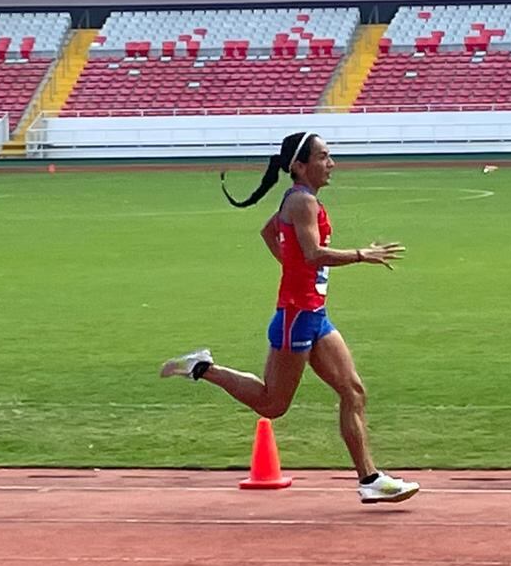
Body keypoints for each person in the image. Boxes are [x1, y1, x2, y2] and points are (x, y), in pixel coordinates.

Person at [160, 131, 420, 505]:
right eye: (323, 157)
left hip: (315, 314)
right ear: (299, 165)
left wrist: (292, 266)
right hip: (296, 316)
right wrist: (361, 255)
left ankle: (370, 479)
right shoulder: (301, 202)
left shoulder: (302, 200)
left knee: (353, 391)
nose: (331, 164)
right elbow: (313, 253)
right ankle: (201, 367)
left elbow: (270, 232)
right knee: (272, 405)